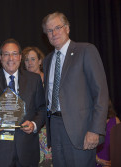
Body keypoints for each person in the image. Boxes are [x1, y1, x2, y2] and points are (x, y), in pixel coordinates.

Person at [42, 12, 109, 167]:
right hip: (55, 127)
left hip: (81, 130)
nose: (54, 33)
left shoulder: (86, 51)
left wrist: (95, 130)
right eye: (49, 31)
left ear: (67, 28)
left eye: (57, 27)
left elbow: (101, 93)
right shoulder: (47, 60)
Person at [0, 38, 46, 167]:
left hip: (27, 149)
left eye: (14, 54)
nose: (10, 58)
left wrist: (34, 124)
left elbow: (42, 108)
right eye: (6, 54)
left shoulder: (34, 80)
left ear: (20, 57)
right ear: (1, 57)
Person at [22, 46, 52, 167]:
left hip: (49, 131)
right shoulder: (21, 83)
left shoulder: (50, 80)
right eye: (26, 60)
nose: (29, 63)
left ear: (40, 61)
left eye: (33, 59)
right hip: (29, 132)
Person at [96, 99, 121, 167]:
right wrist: (98, 160)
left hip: (112, 161)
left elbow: (119, 145)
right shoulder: (92, 122)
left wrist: (114, 161)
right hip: (94, 161)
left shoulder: (115, 120)